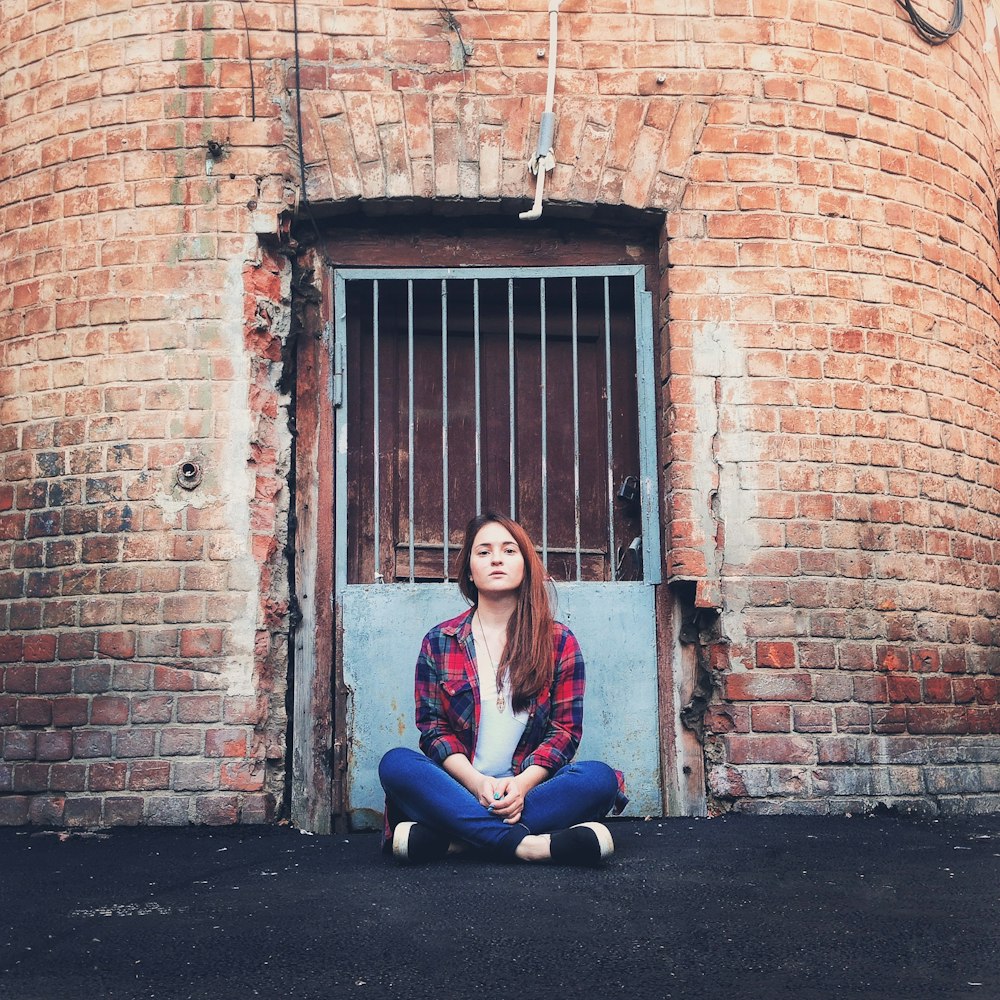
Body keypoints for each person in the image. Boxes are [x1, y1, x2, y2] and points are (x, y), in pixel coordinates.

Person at [378, 512, 627, 865]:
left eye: (509, 551)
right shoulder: (439, 641)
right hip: (461, 790)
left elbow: (565, 732)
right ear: (468, 570)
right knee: (397, 765)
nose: (496, 559)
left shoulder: (559, 641)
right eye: (483, 552)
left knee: (599, 779)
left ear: (525, 565)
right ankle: (529, 846)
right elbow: (433, 730)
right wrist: (478, 783)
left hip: (532, 791)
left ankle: (457, 842)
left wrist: (522, 785)